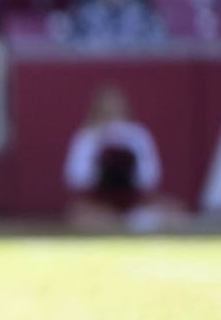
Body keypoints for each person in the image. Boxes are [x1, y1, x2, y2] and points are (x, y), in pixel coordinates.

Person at [63, 84, 170, 231]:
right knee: (80, 217)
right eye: (106, 110)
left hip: (133, 201)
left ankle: (134, 220)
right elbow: (75, 176)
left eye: (116, 108)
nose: (112, 114)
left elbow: (151, 176)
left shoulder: (137, 135)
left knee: (172, 213)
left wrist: (128, 171)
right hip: (99, 204)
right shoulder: (87, 136)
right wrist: (100, 169)